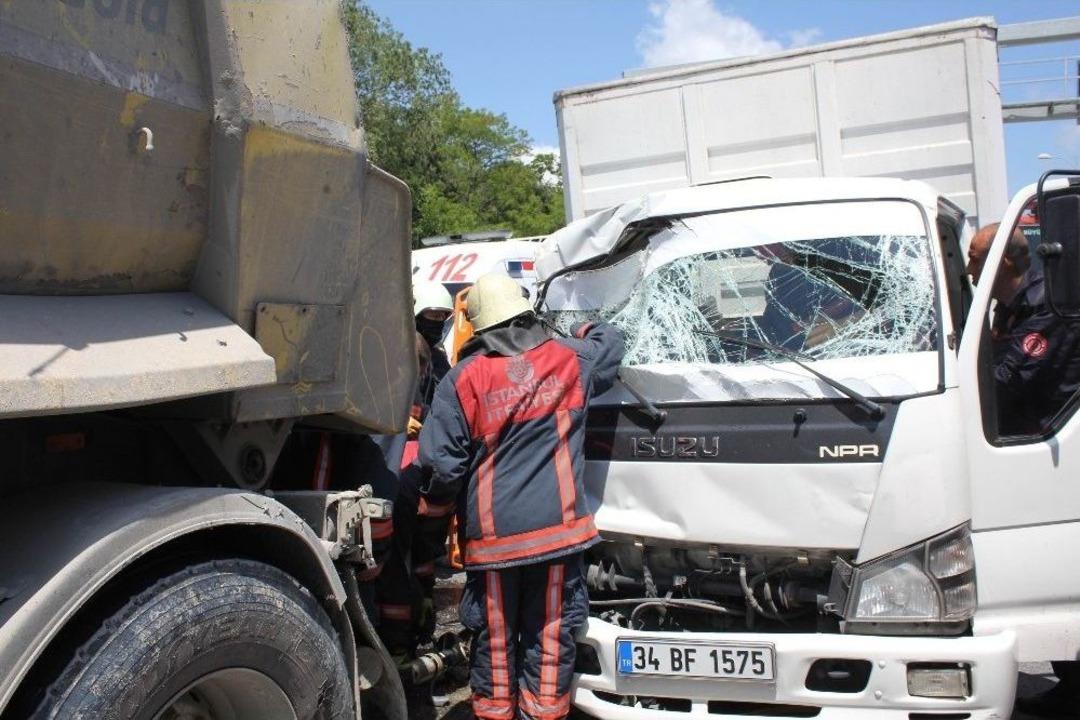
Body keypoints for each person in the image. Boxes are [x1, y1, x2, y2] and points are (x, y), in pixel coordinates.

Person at [418, 273, 624, 720]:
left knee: (494, 640)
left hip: (493, 545)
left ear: (478, 326)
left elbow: (441, 467)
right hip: (558, 536)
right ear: (526, 313)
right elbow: (610, 342)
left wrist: (430, 527)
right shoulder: (570, 359)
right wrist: (582, 327)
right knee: (550, 636)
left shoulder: (463, 380)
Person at [969, 223, 1080, 717]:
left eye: (976, 258)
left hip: (1049, 444)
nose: (969, 269)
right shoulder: (1011, 304)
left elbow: (1008, 380)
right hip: (1031, 444)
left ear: (1006, 261)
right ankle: (1071, 685)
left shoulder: (1045, 306)